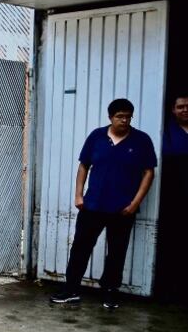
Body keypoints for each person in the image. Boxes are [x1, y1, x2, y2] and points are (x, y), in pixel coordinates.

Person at [51, 98, 157, 309]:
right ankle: (70, 289)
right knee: (81, 247)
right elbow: (83, 166)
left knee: (117, 252)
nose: (124, 120)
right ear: (110, 117)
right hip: (93, 206)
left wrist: (136, 203)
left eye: (128, 116)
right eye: (119, 116)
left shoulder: (141, 140)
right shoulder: (96, 137)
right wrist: (78, 195)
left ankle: (109, 291)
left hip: (123, 209)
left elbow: (149, 173)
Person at [157, 96, 188, 300]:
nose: (185, 110)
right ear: (172, 110)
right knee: (173, 239)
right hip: (174, 194)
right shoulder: (166, 130)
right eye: (180, 107)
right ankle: (168, 287)